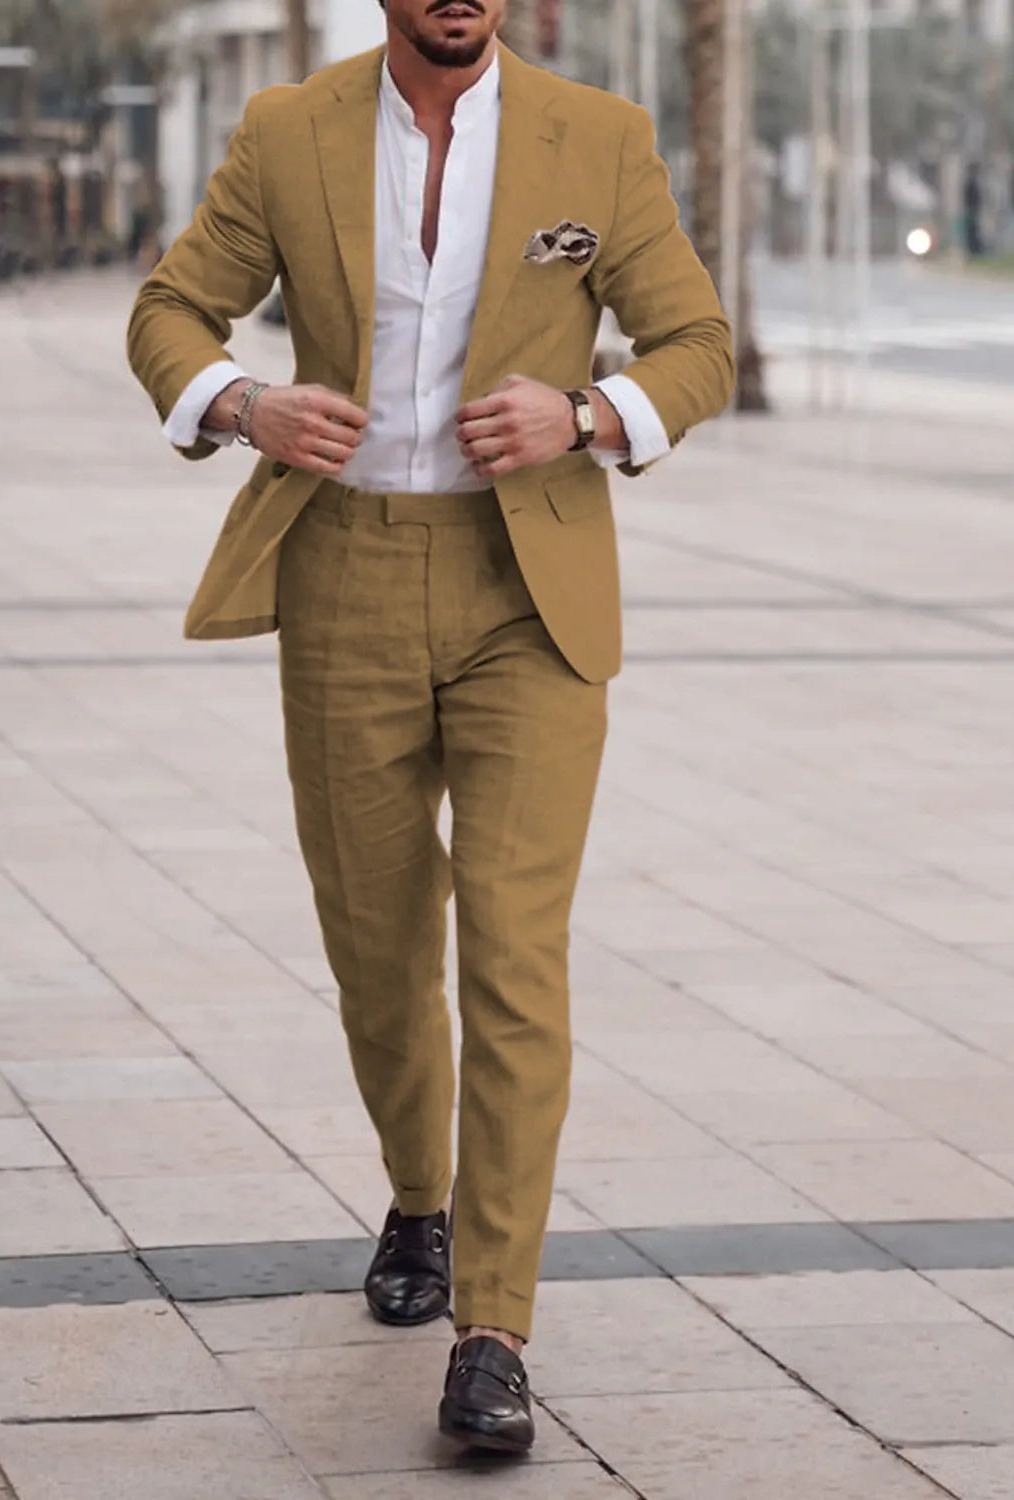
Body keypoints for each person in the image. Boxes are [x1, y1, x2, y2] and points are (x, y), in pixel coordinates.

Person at [128, 0, 733, 1454]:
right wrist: (245, 402)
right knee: (380, 940)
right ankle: (419, 1196)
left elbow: (697, 341)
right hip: (345, 567)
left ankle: (494, 1330)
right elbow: (168, 313)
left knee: (517, 946)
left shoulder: (603, 137)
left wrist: (588, 415)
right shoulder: (290, 130)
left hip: (528, 587)